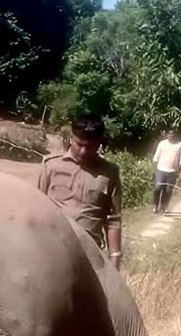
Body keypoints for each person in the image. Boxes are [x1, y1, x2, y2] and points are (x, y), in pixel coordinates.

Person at [35, 114, 123, 269]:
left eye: (90, 146)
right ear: (71, 138)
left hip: (90, 255)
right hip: (53, 249)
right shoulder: (51, 165)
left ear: (99, 143)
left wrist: (114, 258)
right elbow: (36, 207)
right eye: (79, 144)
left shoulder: (110, 172)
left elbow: (113, 220)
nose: (83, 151)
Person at [150, 128, 181, 215]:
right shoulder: (162, 143)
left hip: (172, 171)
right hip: (161, 170)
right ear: (167, 135)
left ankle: (164, 206)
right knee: (158, 188)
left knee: (168, 190)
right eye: (169, 134)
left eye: (173, 134)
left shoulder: (179, 145)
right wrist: (155, 167)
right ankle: (155, 205)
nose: (171, 136)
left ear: (175, 135)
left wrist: (179, 168)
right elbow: (156, 157)